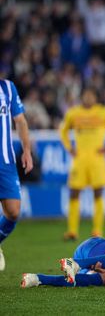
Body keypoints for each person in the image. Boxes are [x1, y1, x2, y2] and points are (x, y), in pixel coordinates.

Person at [60, 87, 105, 241]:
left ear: (96, 98)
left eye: (91, 95)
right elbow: (62, 130)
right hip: (79, 159)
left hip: (97, 159)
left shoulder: (104, 113)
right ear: (82, 96)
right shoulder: (73, 113)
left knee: (98, 193)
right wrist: (69, 148)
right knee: (74, 193)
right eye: (86, 95)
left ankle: (97, 230)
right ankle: (72, 231)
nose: (88, 98)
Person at [0, 79, 34, 271]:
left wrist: (27, 150)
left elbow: (20, 120)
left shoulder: (7, 88)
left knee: (12, 212)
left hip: (5, 161)